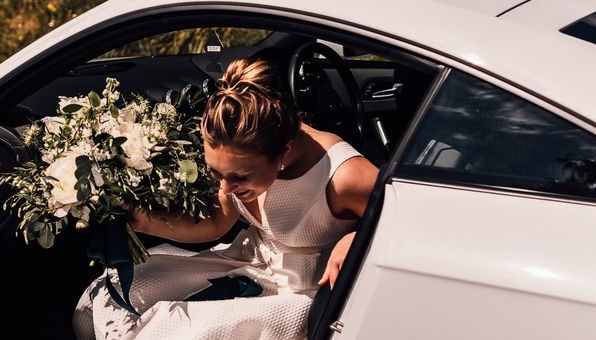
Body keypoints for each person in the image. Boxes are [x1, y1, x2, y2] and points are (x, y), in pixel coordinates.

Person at [73, 57, 379, 340]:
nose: (227, 187)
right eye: (217, 173)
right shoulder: (238, 151)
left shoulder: (343, 176)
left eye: (240, 177)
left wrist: (357, 239)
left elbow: (418, 213)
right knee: (105, 296)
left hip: (299, 294)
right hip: (246, 262)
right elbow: (217, 220)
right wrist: (144, 221)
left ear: (283, 150)